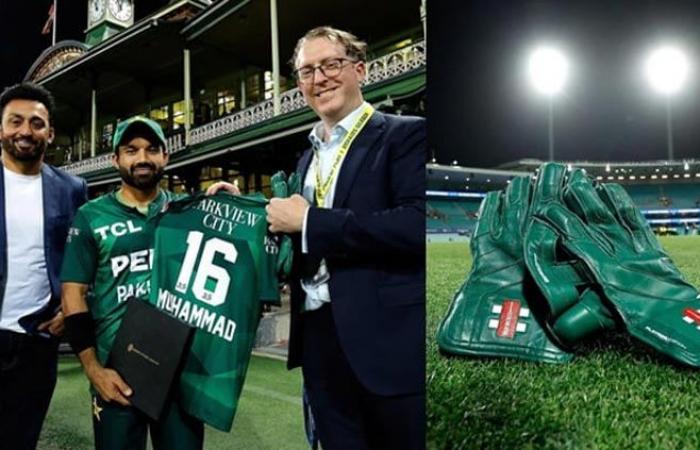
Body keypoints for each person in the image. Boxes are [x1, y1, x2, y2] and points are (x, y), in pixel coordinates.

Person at [266, 26, 426, 450]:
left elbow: (416, 223)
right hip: (318, 337)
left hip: (385, 337)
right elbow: (291, 223)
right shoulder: (304, 159)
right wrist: (238, 206)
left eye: (331, 65)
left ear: (359, 69)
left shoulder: (405, 134)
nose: (319, 79)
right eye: (306, 72)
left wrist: (312, 223)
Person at [60, 116, 234, 450]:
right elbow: (73, 295)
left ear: (165, 157)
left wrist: (230, 203)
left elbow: (234, 244)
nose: (142, 158)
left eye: (152, 149)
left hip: (180, 370)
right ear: (116, 160)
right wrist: (94, 370)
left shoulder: (189, 212)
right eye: (131, 150)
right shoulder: (90, 216)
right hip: (117, 371)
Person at [0, 82, 88, 450]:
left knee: (22, 439)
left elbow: (87, 257)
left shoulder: (72, 188)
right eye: (15, 121)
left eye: (36, 123)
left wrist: (72, 311)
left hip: (38, 339)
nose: (25, 131)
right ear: (0, 128)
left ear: (50, 133)